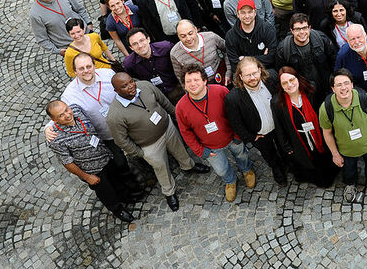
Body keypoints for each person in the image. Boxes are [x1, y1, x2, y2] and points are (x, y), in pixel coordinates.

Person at [107, 72, 210, 212]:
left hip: (167, 128)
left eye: (131, 81)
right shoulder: (115, 115)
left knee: (180, 149)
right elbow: (121, 140)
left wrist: (177, 118)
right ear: (116, 91)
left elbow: (164, 102)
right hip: (149, 145)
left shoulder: (145, 86)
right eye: (125, 86)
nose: (131, 86)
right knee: (161, 168)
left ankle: (188, 166)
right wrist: (140, 153)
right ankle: (169, 192)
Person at [46, 101, 140, 222]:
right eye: (60, 115)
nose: (67, 115)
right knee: (106, 192)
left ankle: (125, 196)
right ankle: (118, 210)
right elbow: (67, 163)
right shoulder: (55, 139)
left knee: (117, 180)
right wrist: (87, 177)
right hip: (93, 171)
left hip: (106, 156)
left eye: (66, 109)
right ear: (54, 120)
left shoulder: (77, 109)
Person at [175, 64, 254, 203]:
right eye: (189, 81)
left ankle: (247, 170)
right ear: (184, 85)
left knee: (242, 155)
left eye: (196, 80)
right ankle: (230, 180)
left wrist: (237, 135)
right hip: (210, 147)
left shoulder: (221, 91)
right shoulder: (181, 107)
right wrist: (200, 151)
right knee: (221, 169)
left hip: (232, 137)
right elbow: (185, 132)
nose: (193, 84)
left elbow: (237, 114)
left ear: (205, 81)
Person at [319, 69, 367, 202]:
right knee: (348, 170)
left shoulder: (365, 99)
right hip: (346, 150)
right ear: (333, 88)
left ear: (352, 84)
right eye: (338, 85)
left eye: (346, 83)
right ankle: (350, 185)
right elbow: (327, 133)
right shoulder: (326, 108)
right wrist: (335, 154)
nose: (343, 88)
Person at [224, 57, 289, 186]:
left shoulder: (272, 78)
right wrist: (252, 137)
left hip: (280, 127)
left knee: (284, 148)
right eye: (248, 75)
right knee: (270, 155)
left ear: (260, 70)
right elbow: (236, 123)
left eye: (254, 73)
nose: (252, 77)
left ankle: (288, 163)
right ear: (240, 76)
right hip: (260, 134)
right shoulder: (233, 98)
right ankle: (277, 169)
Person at [272, 67, 338, 186]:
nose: (289, 85)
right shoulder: (277, 102)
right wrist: (286, 147)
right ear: (281, 86)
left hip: (319, 134)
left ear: (297, 78)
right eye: (285, 83)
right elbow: (279, 127)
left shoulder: (311, 90)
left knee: (324, 159)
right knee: (307, 161)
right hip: (298, 140)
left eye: (292, 80)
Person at [275, 13, 338, 99]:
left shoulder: (321, 39)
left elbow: (334, 60)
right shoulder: (284, 49)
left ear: (309, 28)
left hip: (325, 88)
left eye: (304, 28)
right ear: (292, 30)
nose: (302, 32)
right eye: (297, 29)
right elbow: (282, 73)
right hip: (302, 92)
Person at [27, 0, 92, 57]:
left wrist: (89, 25)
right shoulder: (35, 14)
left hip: (87, 36)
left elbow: (79, 9)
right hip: (71, 48)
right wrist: (58, 51)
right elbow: (42, 40)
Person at [123, 28, 180, 101]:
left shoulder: (166, 47)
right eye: (135, 44)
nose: (140, 45)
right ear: (131, 48)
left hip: (176, 88)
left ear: (148, 39)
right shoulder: (129, 64)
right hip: (155, 97)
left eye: (141, 40)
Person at [224, 0, 278, 73]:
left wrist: (245, 59)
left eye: (250, 12)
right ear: (238, 14)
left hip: (265, 69)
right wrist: (262, 58)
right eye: (243, 13)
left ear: (255, 12)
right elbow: (234, 65)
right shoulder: (230, 36)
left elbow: (272, 58)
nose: (247, 16)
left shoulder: (267, 29)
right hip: (244, 73)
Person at [169, 19, 228, 86]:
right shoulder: (175, 53)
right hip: (201, 88)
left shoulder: (211, 37)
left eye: (190, 33)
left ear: (196, 30)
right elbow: (182, 79)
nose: (188, 38)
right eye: (183, 36)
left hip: (223, 77)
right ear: (178, 36)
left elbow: (228, 51)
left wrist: (229, 71)